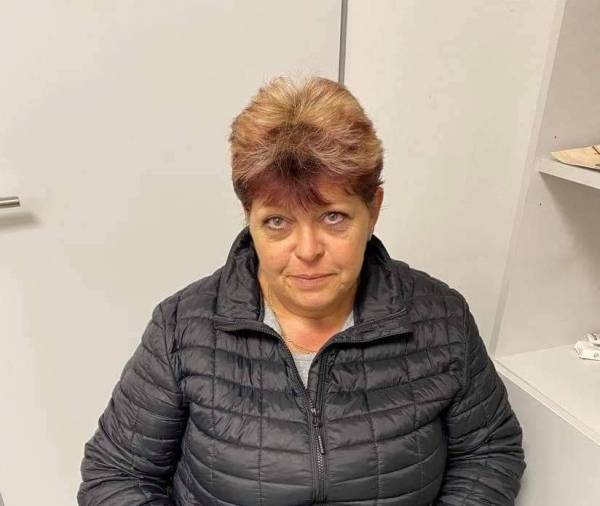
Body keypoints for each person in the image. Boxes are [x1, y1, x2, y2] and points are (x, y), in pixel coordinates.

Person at [78, 76, 525, 505]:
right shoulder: (181, 327)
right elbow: (115, 474)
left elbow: (490, 451)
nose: (308, 250)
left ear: (372, 210)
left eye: (333, 217)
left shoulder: (441, 319)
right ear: (249, 217)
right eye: (277, 221)